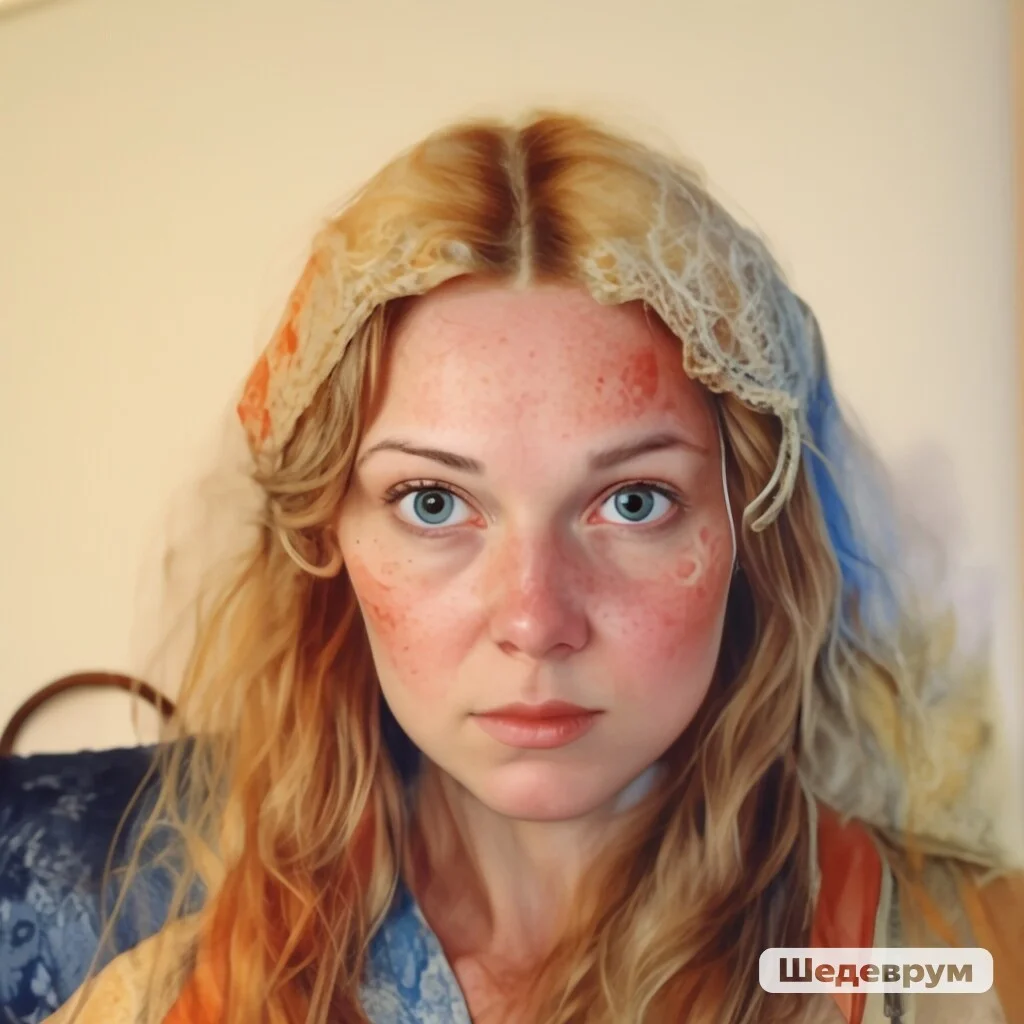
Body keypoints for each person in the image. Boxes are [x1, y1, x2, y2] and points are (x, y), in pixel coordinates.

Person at [50, 110, 1023, 1024]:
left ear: (748, 528)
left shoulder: (970, 960)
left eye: (633, 501)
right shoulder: (163, 1003)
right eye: (432, 502)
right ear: (329, 538)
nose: (534, 620)